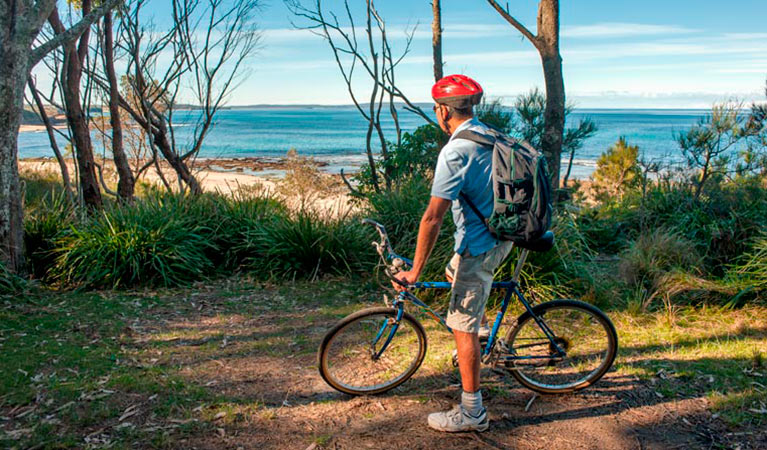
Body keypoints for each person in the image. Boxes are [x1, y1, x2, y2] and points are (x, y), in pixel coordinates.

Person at [393, 74, 513, 432]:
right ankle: (478, 337)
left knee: (461, 326)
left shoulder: (456, 150)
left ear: (443, 111)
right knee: (451, 272)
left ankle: (473, 413)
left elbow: (432, 217)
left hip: (480, 246)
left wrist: (414, 271)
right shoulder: (489, 134)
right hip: (501, 235)